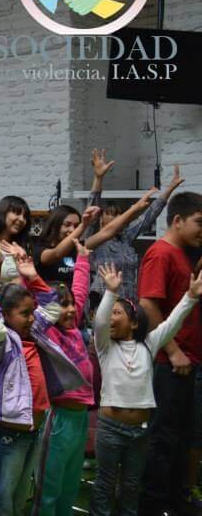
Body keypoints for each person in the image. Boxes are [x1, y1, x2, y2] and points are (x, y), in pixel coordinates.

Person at [0, 248, 85, 516]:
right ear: (5, 315)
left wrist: (33, 278)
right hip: (6, 436)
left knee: (19, 501)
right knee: (1, 504)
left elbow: (53, 307)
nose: (32, 317)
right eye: (24, 313)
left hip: (32, 431)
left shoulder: (33, 332)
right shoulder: (0, 341)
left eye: (32, 311)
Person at [93, 264, 201, 516]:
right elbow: (99, 321)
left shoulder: (148, 345)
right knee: (105, 484)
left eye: (117, 313)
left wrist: (191, 296)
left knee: (132, 485)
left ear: (133, 323)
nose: (110, 317)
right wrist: (110, 293)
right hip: (110, 429)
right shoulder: (105, 347)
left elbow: (172, 322)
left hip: (140, 430)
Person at [137, 191, 202, 515]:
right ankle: (154, 505)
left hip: (191, 362)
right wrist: (173, 351)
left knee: (184, 438)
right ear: (177, 220)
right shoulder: (160, 253)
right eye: (199, 222)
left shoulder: (186, 254)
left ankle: (176, 501)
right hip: (170, 363)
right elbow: (148, 304)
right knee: (163, 439)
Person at [36, 240, 95, 516]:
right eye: (64, 306)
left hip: (80, 418)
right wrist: (31, 276)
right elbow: (43, 310)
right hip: (57, 420)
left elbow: (79, 293)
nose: (71, 310)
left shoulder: (73, 329)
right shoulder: (48, 336)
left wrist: (82, 260)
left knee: (69, 487)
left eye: (72, 306)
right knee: (49, 488)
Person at [87, 151, 186, 302]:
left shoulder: (125, 237)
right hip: (103, 303)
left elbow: (148, 217)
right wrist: (98, 178)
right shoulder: (94, 239)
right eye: (112, 215)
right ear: (101, 220)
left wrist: (169, 189)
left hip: (128, 303)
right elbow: (92, 209)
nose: (118, 218)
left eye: (120, 214)